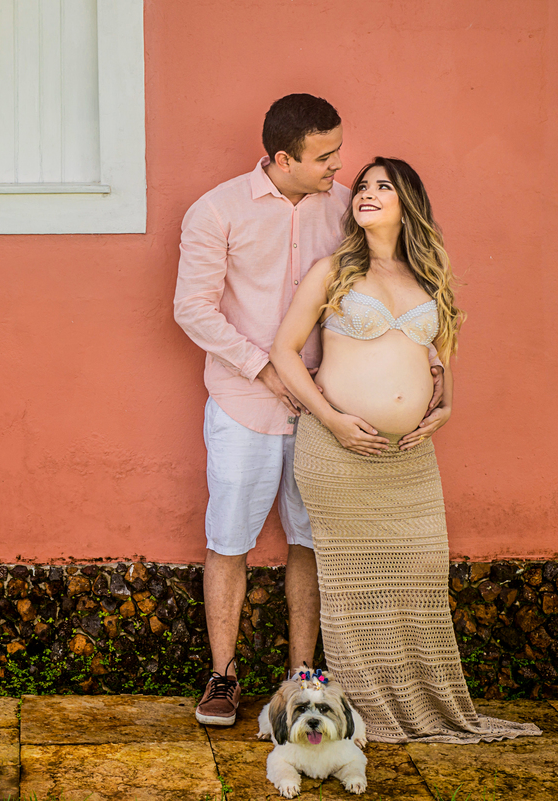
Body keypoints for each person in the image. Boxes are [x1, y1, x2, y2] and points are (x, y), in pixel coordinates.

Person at [269, 157, 540, 743]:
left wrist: (447, 405)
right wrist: (334, 420)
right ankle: (362, 712)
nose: (366, 193)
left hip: (409, 457)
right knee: (351, 588)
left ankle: (416, 703)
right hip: (340, 450)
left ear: (407, 201)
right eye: (361, 186)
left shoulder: (428, 279)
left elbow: (438, 355)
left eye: (381, 186)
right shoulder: (334, 269)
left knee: (417, 579)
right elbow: (284, 352)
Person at [174, 94, 349, 726]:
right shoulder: (217, 210)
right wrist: (262, 367)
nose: (337, 165)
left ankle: (305, 679)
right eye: (325, 156)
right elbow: (192, 308)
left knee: (310, 541)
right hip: (244, 404)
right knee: (228, 539)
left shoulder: (348, 207)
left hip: (325, 408)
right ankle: (222, 677)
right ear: (283, 158)